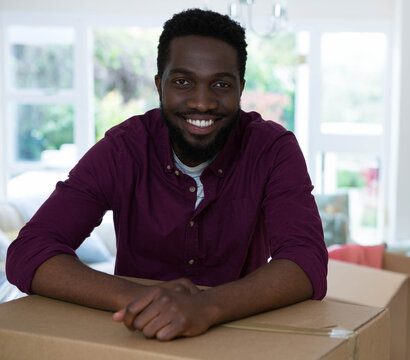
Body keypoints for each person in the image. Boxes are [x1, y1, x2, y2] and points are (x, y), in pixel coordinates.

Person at [6, 8, 327, 341]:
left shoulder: (272, 149)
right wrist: (143, 301)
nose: (202, 103)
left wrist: (206, 306)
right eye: (183, 82)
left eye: (220, 84)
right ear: (160, 84)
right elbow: (30, 251)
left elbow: (306, 262)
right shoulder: (123, 149)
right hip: (134, 337)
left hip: (236, 338)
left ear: (240, 89)